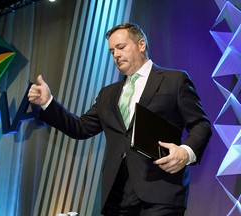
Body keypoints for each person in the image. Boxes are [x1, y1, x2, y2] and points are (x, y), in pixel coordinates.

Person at [28, 22, 212, 216]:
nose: (115, 55)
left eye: (121, 47)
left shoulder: (175, 80)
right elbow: (79, 127)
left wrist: (186, 152)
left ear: (141, 45)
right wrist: (48, 102)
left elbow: (201, 124)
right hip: (117, 197)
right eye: (111, 51)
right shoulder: (108, 94)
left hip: (161, 192)